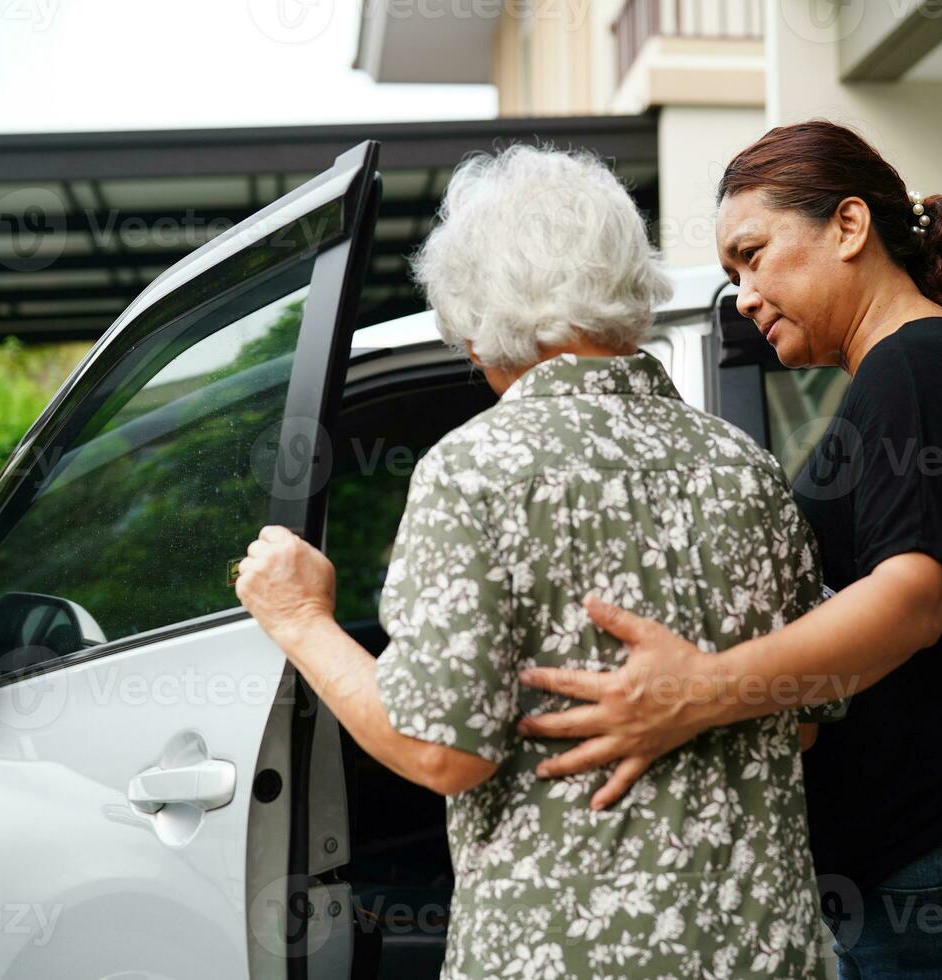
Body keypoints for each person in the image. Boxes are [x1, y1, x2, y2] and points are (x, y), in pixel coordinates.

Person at [515, 120, 942, 979]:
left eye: (752, 255)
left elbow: (911, 600)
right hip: (929, 865)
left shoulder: (918, 368)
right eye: (730, 274)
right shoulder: (896, 375)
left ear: (850, 227)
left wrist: (701, 691)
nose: (745, 295)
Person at [235, 144, 835, 979]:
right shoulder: (744, 466)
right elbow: (800, 720)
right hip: (761, 950)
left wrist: (301, 621)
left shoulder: (474, 468)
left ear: (475, 319)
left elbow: (443, 750)